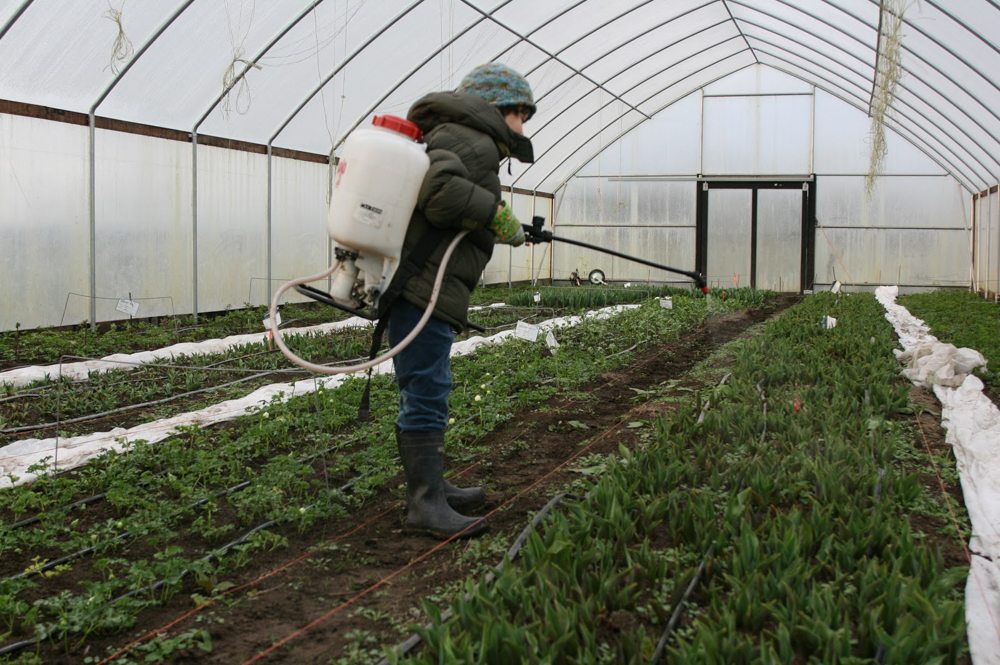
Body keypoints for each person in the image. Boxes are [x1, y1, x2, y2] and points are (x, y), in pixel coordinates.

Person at [386, 63, 535, 538]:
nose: (524, 126)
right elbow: (441, 192)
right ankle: (424, 504)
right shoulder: (469, 138)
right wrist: (494, 214)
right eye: (521, 114)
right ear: (498, 109)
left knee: (430, 384)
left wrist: (498, 220)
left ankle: (433, 486)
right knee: (426, 389)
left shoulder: (465, 138)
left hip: (427, 288)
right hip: (421, 289)